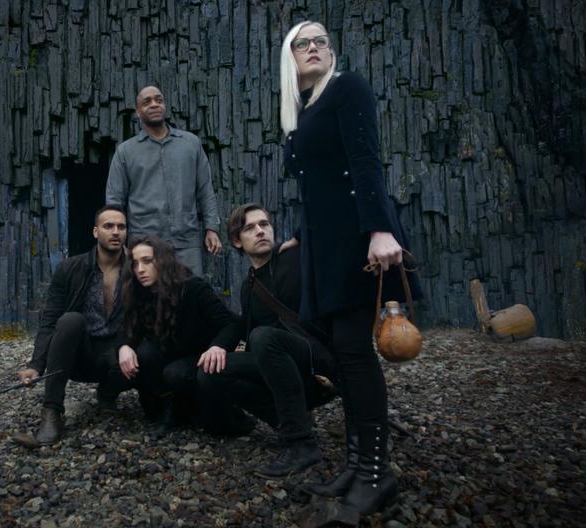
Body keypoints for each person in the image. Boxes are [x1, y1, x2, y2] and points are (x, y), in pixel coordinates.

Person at [277, 21, 422, 514]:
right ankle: (358, 462)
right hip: (325, 242)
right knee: (343, 351)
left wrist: (382, 230)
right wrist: (299, 232)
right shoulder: (302, 110)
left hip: (358, 239)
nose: (314, 47)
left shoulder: (348, 87)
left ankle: (377, 475)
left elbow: (364, 161)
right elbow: (317, 183)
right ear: (289, 56)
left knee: (357, 356)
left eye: (322, 41)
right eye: (304, 42)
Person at [197, 203, 338, 479]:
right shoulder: (248, 285)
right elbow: (243, 327)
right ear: (237, 241)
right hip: (277, 363)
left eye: (265, 224)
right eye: (250, 228)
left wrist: (301, 236)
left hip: (316, 362)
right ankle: (289, 420)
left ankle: (301, 444)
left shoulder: (297, 258)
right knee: (209, 372)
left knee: (264, 339)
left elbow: (326, 226)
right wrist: (217, 346)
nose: (260, 231)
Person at [15, 205, 133, 446]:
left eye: (121, 227)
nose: (115, 232)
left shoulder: (137, 269)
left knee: (144, 348)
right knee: (70, 320)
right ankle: (52, 412)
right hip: (80, 355)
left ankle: (108, 393)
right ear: (94, 231)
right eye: (108, 226)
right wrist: (35, 365)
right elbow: (49, 321)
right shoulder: (71, 268)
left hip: (119, 357)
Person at [117, 235, 238, 437]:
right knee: (143, 358)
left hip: (200, 359)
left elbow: (231, 324)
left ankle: (212, 408)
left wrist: (218, 346)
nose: (140, 269)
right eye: (135, 263)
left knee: (176, 374)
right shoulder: (139, 292)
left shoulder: (193, 288)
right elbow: (126, 327)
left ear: (163, 260)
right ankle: (172, 406)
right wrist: (124, 347)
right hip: (168, 356)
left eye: (147, 261)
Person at [105, 85, 222, 275]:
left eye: (159, 100)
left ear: (165, 106)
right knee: (147, 300)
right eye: (147, 102)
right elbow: (114, 201)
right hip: (144, 243)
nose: (154, 105)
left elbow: (205, 190)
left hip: (187, 241)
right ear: (138, 112)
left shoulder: (190, 144)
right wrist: (119, 243)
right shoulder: (126, 151)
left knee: (190, 296)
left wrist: (212, 228)